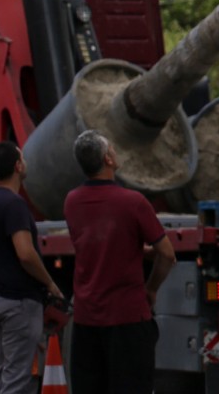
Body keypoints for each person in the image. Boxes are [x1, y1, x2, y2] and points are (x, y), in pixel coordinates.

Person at [63, 130, 176, 394]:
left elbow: (98, 243)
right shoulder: (132, 202)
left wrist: (136, 250)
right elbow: (167, 253)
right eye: (112, 148)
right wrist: (151, 288)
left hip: (86, 319)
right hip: (127, 318)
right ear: (108, 159)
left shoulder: (72, 202)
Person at [0, 141, 65, 394]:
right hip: (18, 304)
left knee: (1, 374)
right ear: (18, 166)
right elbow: (26, 254)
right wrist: (50, 283)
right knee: (17, 380)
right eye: (23, 158)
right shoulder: (14, 205)